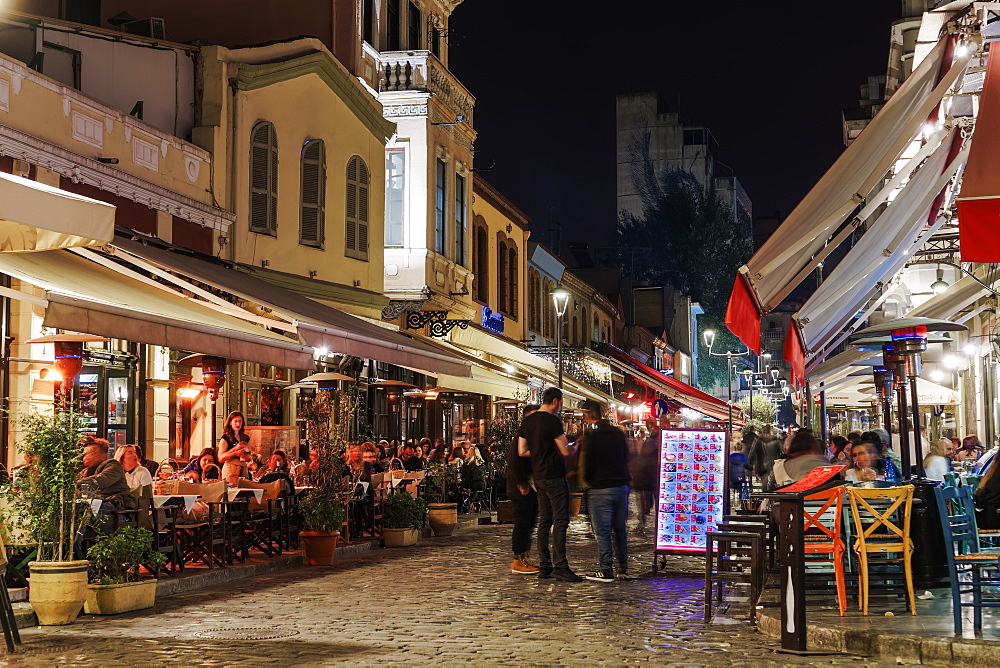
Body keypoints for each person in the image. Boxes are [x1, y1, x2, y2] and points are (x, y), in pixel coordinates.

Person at [518, 387, 582, 582]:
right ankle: (560, 565)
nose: (561, 406)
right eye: (561, 402)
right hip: (554, 475)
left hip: (539, 476)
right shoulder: (553, 421)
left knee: (545, 521)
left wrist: (538, 454)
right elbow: (565, 451)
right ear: (555, 401)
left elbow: (522, 451)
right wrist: (576, 446)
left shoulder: (527, 421)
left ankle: (544, 565)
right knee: (560, 520)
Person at [579, 400, 630, 582]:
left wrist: (588, 481)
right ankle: (622, 567)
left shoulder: (592, 435)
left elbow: (588, 462)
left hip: (601, 487)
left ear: (590, 414)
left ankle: (606, 568)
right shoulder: (618, 432)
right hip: (621, 486)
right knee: (620, 529)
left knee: (603, 532)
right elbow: (626, 456)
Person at [509, 405, 540, 575]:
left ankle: (525, 557)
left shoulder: (530, 436)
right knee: (522, 524)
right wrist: (521, 484)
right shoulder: (520, 437)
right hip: (522, 489)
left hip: (531, 487)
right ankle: (517, 560)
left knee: (529, 523)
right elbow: (514, 463)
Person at [629, 418, 660, 535]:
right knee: (650, 501)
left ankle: (643, 520)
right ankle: (654, 521)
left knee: (644, 502)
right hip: (651, 478)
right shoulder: (655, 446)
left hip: (644, 477)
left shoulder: (646, 445)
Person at [217, 410, 252, 484]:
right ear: (230, 422)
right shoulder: (226, 438)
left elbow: (249, 457)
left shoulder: (245, 438)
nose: (238, 424)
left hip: (243, 467)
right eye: (235, 421)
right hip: (231, 468)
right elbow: (221, 458)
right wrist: (235, 451)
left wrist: (246, 456)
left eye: (240, 421)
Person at [748, 424, 782, 489]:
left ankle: (765, 495)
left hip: (761, 465)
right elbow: (781, 452)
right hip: (773, 464)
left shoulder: (758, 439)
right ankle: (770, 496)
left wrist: (750, 463)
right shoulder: (775, 440)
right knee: (773, 482)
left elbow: (753, 452)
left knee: (764, 482)